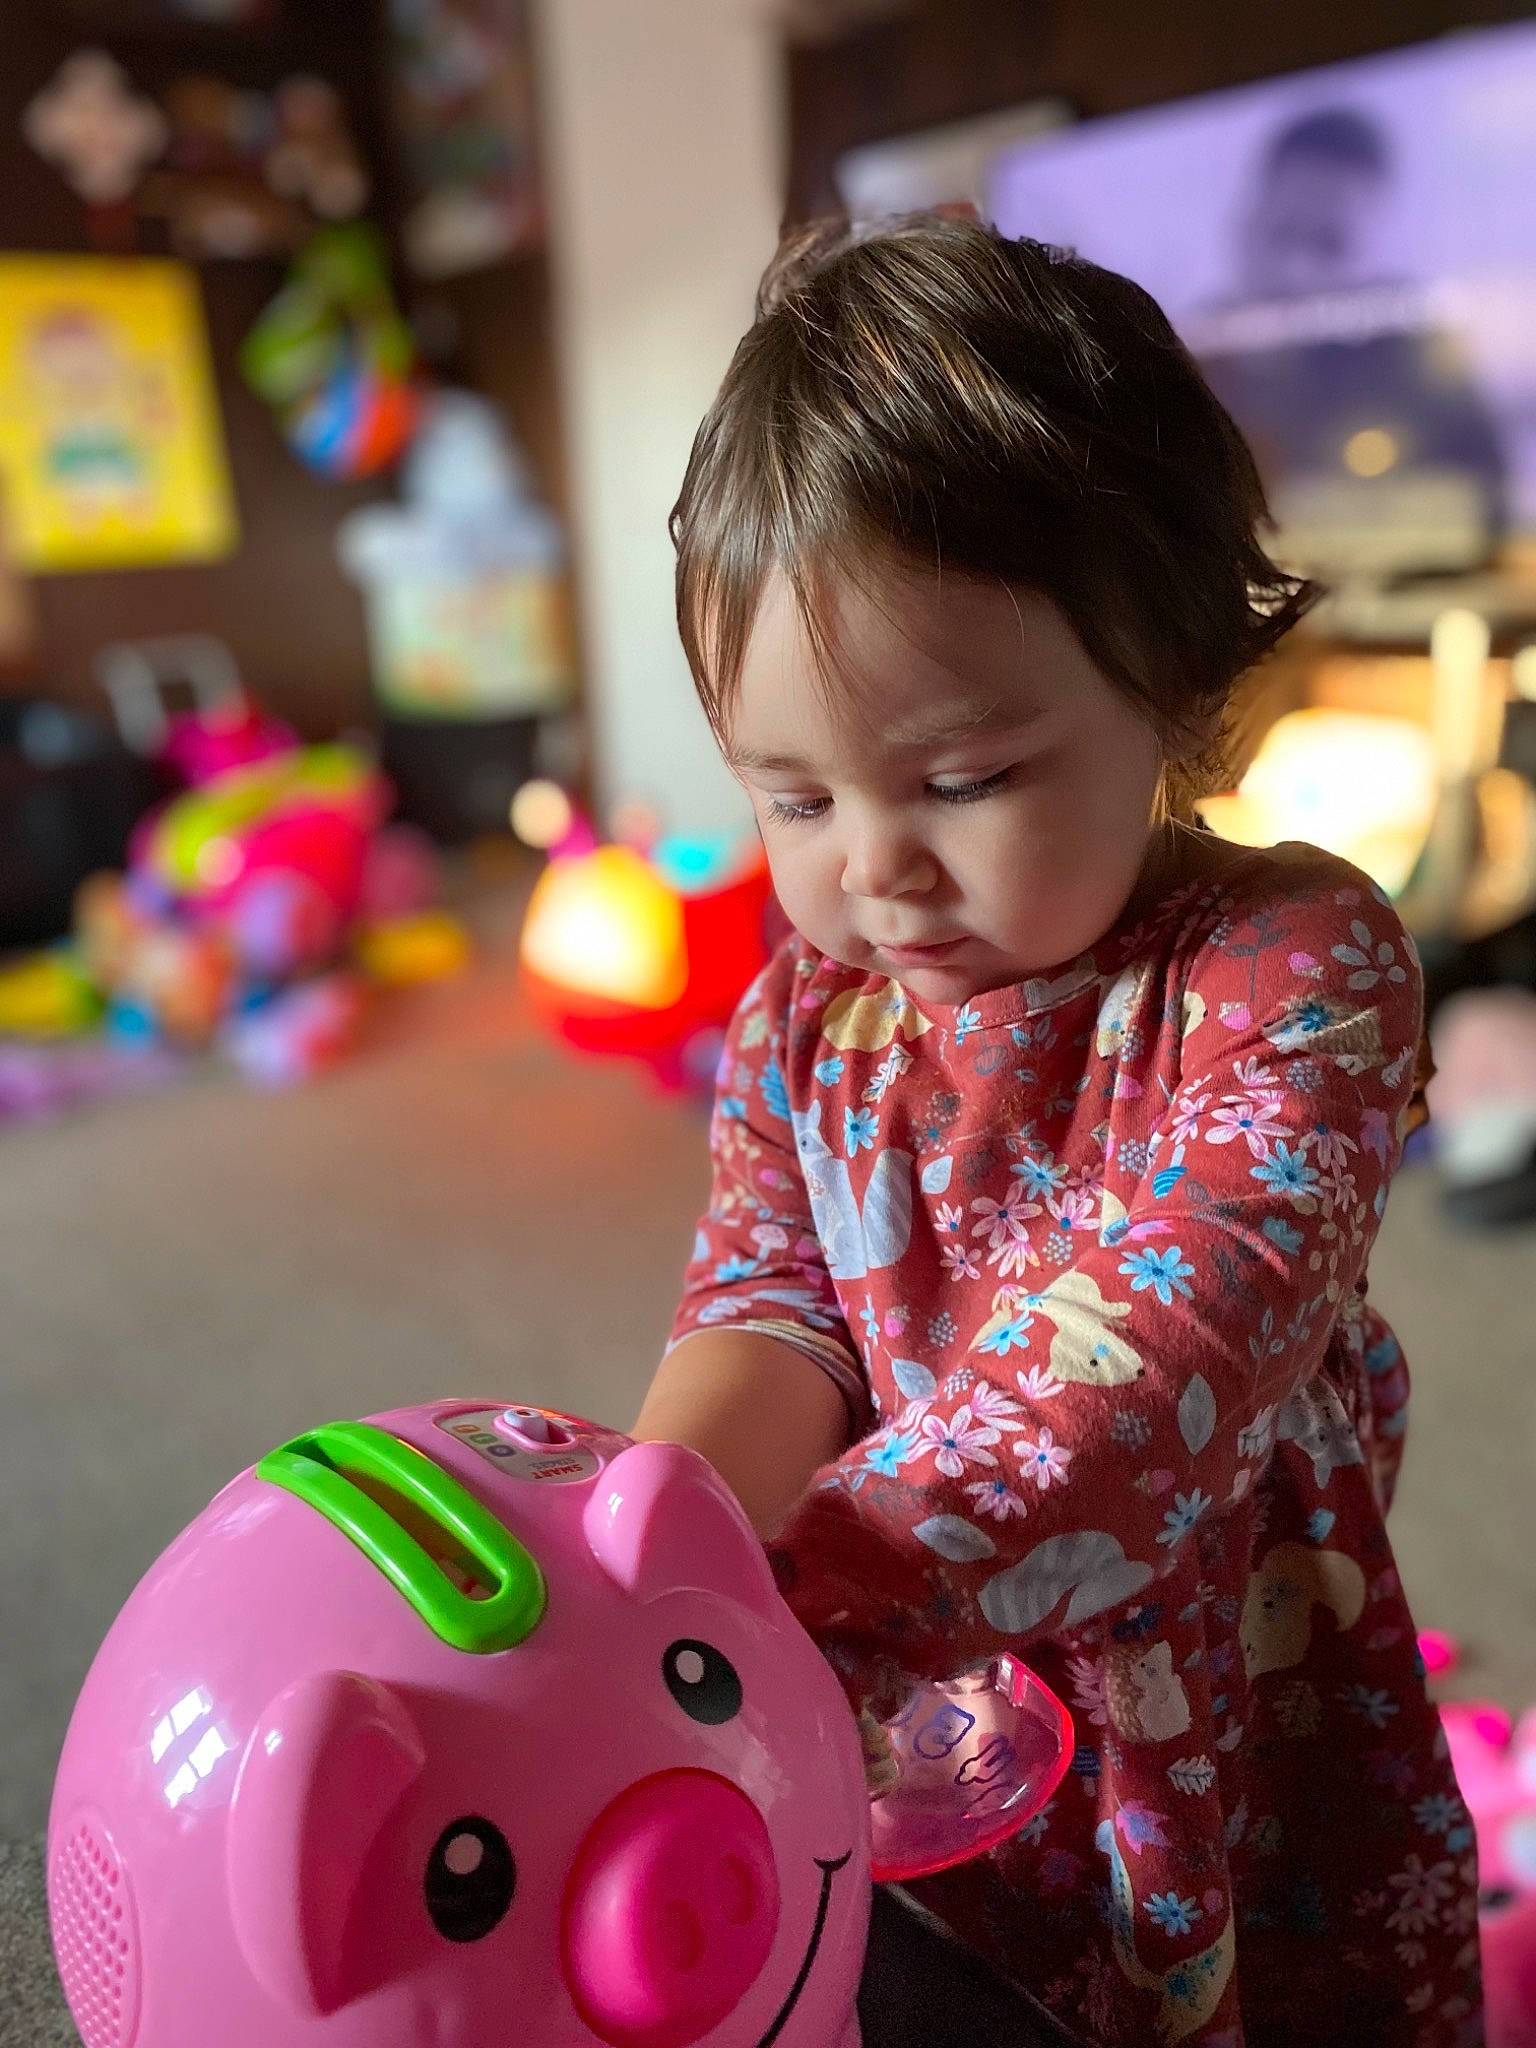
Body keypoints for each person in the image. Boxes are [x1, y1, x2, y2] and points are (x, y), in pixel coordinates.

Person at [631, 215, 1478, 2046]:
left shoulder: (1296, 965)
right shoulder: (805, 1010)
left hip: (1218, 1705)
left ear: (1171, 693)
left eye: (961, 778)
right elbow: (770, 1306)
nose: (872, 865)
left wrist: (815, 1590)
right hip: (906, 1716)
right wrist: (664, 1548)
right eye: (792, 796)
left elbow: (1163, 1348)